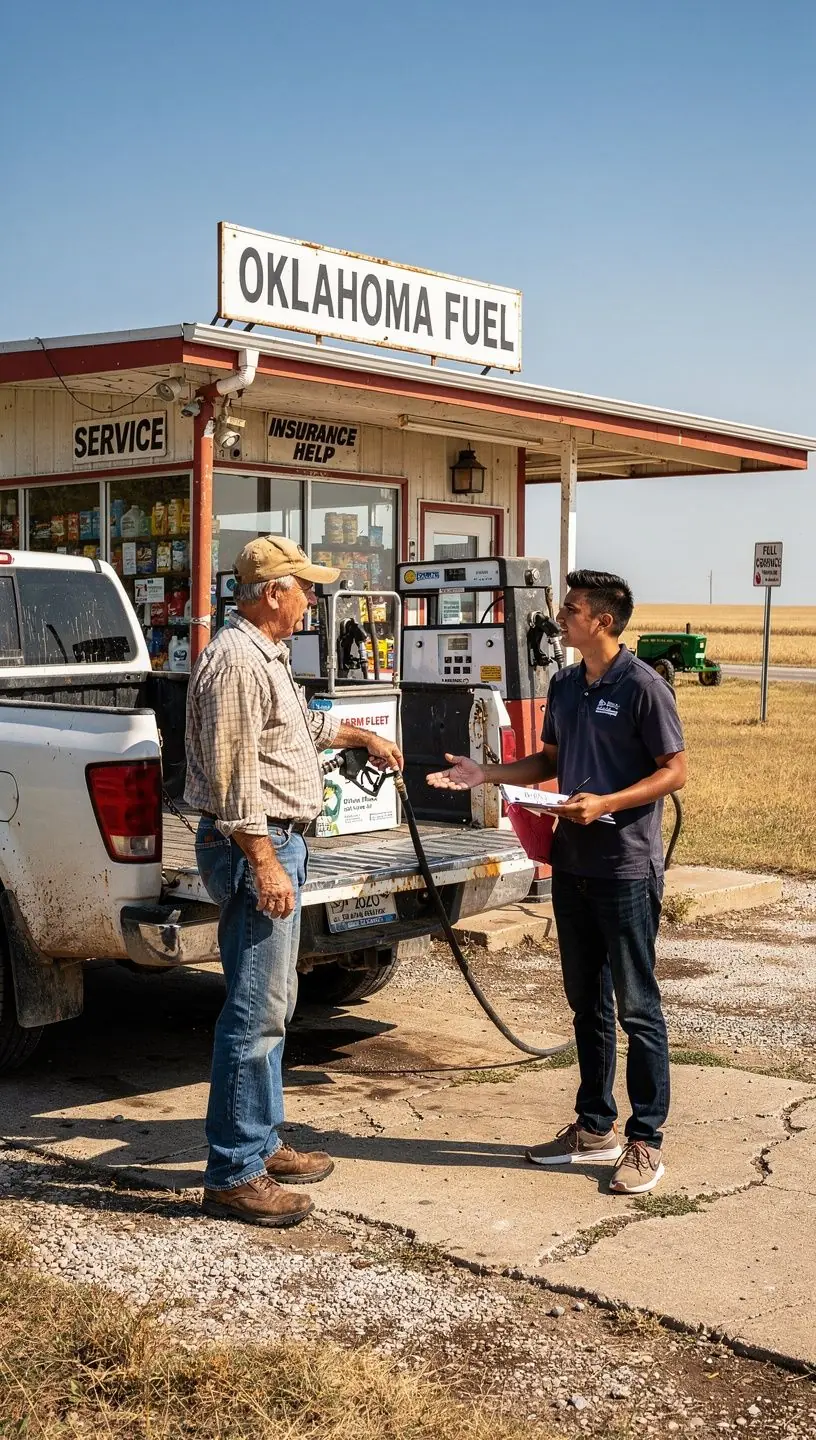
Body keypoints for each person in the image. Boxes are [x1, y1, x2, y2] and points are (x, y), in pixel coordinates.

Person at [427, 569, 685, 1195]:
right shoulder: (565, 683)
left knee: (638, 1006)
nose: (560, 618)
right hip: (571, 864)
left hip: (624, 866)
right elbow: (550, 759)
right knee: (585, 1001)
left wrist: (608, 803)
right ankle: (594, 1124)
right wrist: (485, 773)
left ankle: (645, 1138)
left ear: (602, 620)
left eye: (570, 610)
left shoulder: (643, 687)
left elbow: (675, 772)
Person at [185, 535, 403, 1227]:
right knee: (254, 1013)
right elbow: (231, 778)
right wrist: (264, 859)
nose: (312, 599)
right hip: (259, 844)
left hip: (276, 842)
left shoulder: (264, 658)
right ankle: (234, 1174)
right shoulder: (234, 663)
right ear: (272, 592)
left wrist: (358, 737)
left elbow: (294, 730)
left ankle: (260, 1141)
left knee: (274, 1004)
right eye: (303, 587)